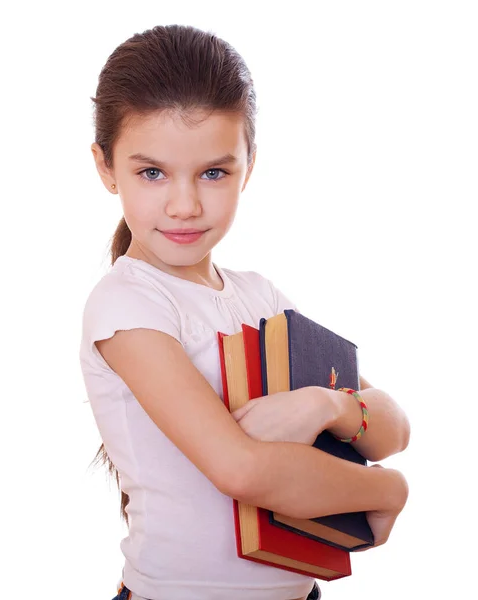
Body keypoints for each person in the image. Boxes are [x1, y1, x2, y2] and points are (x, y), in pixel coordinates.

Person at [80, 24, 410, 600]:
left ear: (247, 166)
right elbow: (241, 471)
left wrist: (321, 404)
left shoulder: (260, 296)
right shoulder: (126, 303)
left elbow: (391, 427)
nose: (184, 205)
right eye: (151, 172)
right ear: (106, 167)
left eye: (213, 172)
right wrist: (387, 493)